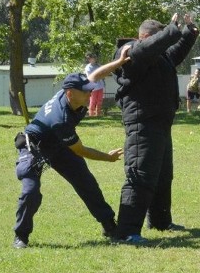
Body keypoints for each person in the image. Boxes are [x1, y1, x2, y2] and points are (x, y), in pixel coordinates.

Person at [12, 51, 130, 249]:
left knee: (86, 182)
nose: (90, 94)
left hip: (58, 145)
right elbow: (80, 150)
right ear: (70, 94)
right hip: (34, 148)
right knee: (31, 191)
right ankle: (21, 236)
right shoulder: (61, 119)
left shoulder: (74, 93)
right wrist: (107, 158)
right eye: (86, 92)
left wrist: (118, 62)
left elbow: (96, 75)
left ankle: (109, 226)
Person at [111, 13, 199, 243]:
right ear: (148, 37)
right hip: (142, 123)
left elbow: (176, 52)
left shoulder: (159, 56)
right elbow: (145, 50)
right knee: (140, 175)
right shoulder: (129, 51)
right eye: (160, 38)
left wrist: (189, 31)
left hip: (160, 122)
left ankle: (160, 221)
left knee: (162, 175)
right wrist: (171, 30)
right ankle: (127, 232)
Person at [84, 52, 105, 116]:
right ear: (89, 59)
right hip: (93, 87)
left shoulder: (98, 65)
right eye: (92, 58)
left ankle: (98, 113)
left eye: (94, 58)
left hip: (100, 86)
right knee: (93, 101)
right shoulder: (88, 67)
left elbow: (102, 72)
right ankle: (91, 114)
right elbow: (90, 77)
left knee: (100, 100)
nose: (94, 59)